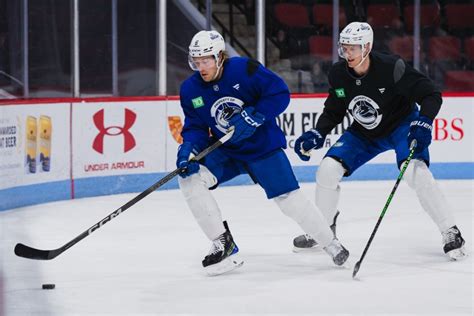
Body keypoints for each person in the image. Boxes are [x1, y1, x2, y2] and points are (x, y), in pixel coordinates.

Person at [177, 30, 349, 276]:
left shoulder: (244, 69)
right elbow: (195, 127)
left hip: (262, 148)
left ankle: (330, 243)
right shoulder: (190, 89)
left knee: (290, 201)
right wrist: (188, 150)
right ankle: (222, 243)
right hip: (228, 151)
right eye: (196, 62)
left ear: (220, 57)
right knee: (190, 179)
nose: (201, 67)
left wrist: (253, 116)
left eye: (206, 60)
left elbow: (279, 93)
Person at [292, 22, 466, 260]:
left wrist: (424, 121)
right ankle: (323, 230)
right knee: (327, 170)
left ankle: (450, 230)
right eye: (344, 48)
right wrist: (319, 132)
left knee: (416, 172)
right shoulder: (338, 74)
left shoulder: (391, 67)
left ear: (367, 47)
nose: (347, 53)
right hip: (364, 133)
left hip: (401, 125)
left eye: (353, 48)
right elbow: (335, 108)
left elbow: (430, 93)